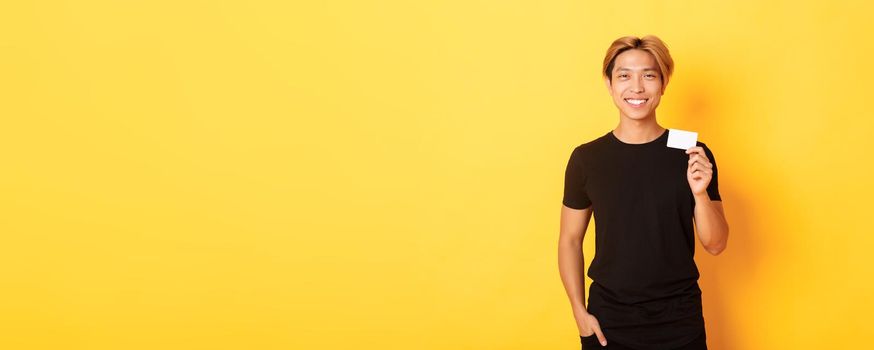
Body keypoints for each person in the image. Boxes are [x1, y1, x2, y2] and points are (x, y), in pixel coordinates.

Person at [557, 35, 730, 350]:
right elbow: (570, 240)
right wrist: (578, 311)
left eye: (649, 75)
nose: (636, 87)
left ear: (663, 84)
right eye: (624, 75)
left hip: (679, 321)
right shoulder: (587, 158)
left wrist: (700, 194)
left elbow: (716, 244)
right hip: (608, 322)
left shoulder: (691, 151)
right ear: (609, 84)